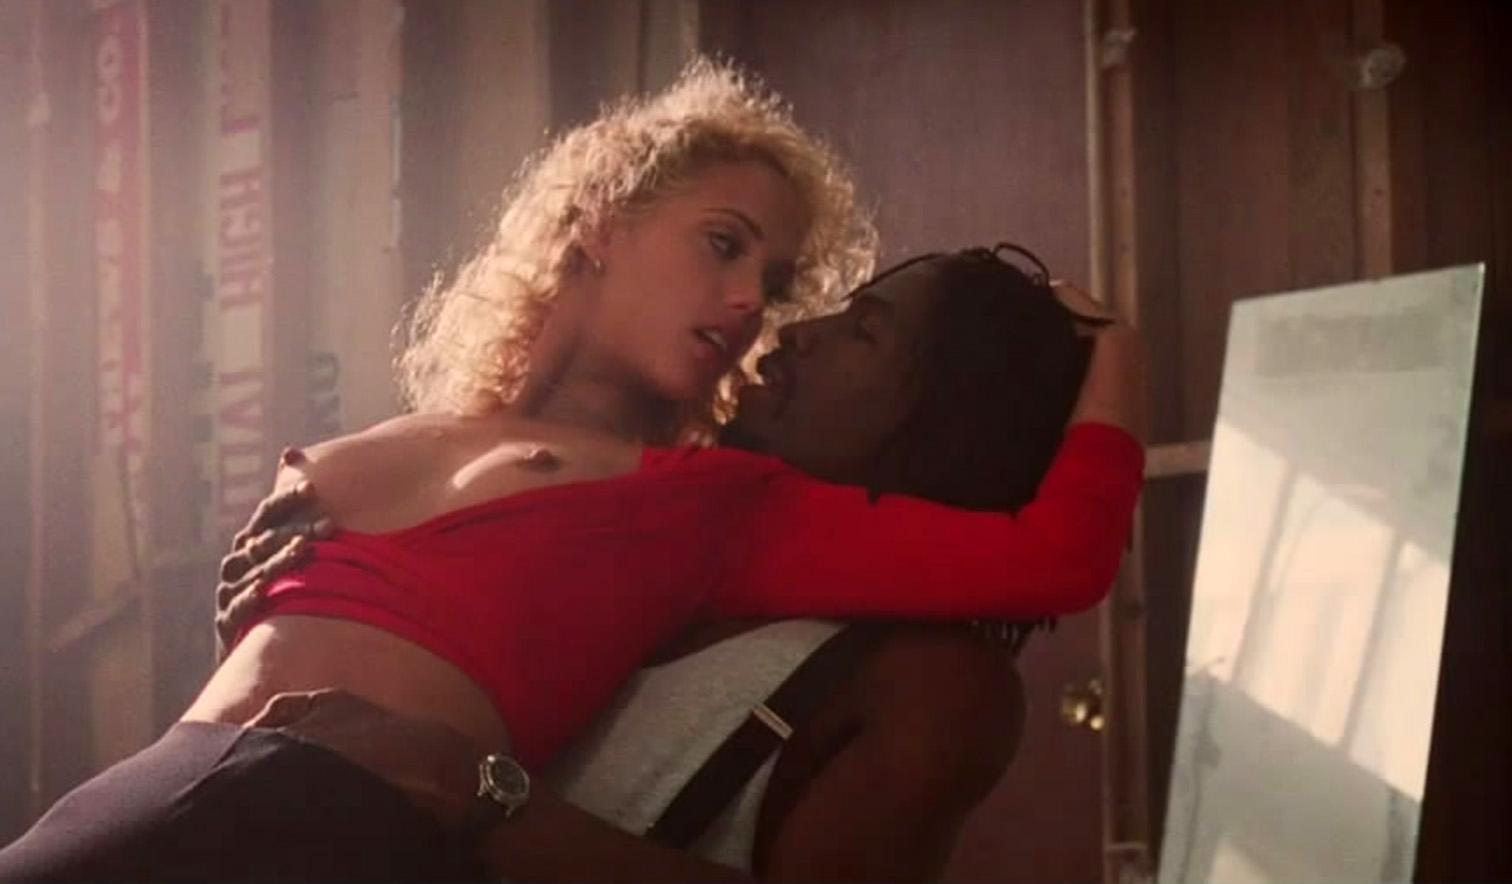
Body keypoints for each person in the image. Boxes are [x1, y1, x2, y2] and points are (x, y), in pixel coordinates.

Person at [0, 54, 1143, 881]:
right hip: (135, 796)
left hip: (331, 832)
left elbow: (1057, 557)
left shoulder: (717, 501)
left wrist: (1116, 351)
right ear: (600, 217)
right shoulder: (389, 439)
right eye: (723, 243)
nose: (753, 303)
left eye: (775, 281)